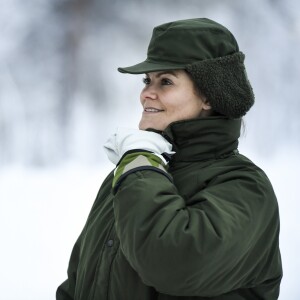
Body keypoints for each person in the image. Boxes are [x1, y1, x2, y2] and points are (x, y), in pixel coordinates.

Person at [56, 18, 282, 300]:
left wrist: (140, 160)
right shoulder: (131, 175)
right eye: (146, 80)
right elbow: (78, 281)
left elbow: (172, 264)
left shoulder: (246, 187)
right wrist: (140, 164)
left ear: (210, 96)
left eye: (166, 81)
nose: (146, 94)